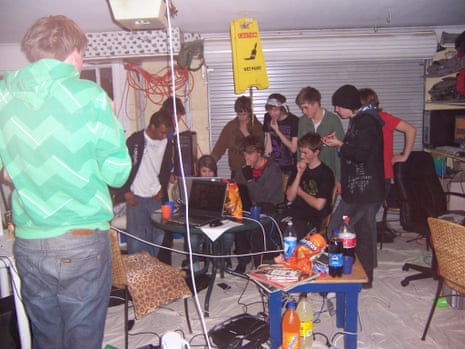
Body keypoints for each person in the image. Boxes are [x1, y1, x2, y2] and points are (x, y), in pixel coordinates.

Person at [0, 15, 131, 349]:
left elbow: (6, 171)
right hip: (81, 240)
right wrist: (111, 120)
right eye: (83, 55)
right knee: (83, 338)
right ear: (73, 51)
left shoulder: (4, 95)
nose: (82, 62)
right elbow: (117, 173)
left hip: (29, 242)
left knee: (46, 338)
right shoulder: (90, 96)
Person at [322, 84, 385, 289]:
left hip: (366, 189)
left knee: (356, 232)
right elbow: (356, 150)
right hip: (357, 188)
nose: (337, 110)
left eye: (338, 106)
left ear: (348, 105)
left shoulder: (368, 122)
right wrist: (340, 143)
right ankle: (348, 272)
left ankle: (360, 278)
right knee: (347, 230)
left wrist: (340, 145)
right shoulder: (360, 120)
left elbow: (360, 155)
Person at [359, 87, 416, 266]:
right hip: (368, 178)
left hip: (382, 178)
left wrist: (403, 156)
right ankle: (365, 259)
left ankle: (369, 262)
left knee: (367, 219)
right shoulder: (361, 122)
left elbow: (410, 129)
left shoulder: (383, 118)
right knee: (364, 219)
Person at [114, 110, 174, 258]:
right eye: (161, 132)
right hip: (136, 197)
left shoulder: (167, 143)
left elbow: (166, 168)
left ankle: (153, 271)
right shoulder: (135, 141)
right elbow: (124, 168)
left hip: (155, 196)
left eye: (166, 133)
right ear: (152, 127)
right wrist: (126, 191)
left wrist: (163, 187)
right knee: (136, 239)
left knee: (158, 235)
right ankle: (138, 275)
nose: (163, 136)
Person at [233, 135, 283, 273]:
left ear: (259, 152)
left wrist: (250, 180)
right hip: (250, 207)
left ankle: (259, 262)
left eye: (250, 153)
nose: (246, 157)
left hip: (269, 208)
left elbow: (263, 197)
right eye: (244, 154)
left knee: (256, 226)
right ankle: (243, 260)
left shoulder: (272, 169)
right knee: (237, 221)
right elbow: (237, 192)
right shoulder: (244, 170)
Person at [183, 155, 234, 271]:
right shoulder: (192, 184)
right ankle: (194, 262)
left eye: (210, 171)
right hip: (197, 218)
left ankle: (220, 259)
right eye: (204, 171)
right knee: (192, 238)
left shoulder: (222, 184)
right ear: (199, 172)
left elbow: (229, 207)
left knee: (229, 236)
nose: (207, 174)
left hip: (217, 219)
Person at [285, 132, 335, 239]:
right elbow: (289, 197)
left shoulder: (326, 173)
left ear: (316, 152)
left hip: (313, 216)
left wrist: (301, 193)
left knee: (293, 232)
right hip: (295, 211)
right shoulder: (299, 167)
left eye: (305, 153)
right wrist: (299, 174)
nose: (302, 156)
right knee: (272, 225)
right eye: (301, 152)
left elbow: (319, 205)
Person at [296, 86, 345, 194]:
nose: (303, 111)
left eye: (306, 107)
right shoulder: (302, 122)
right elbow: (299, 150)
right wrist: (299, 172)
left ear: (316, 104)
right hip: (309, 174)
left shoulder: (333, 121)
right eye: (301, 108)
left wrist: (338, 178)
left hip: (329, 173)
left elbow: (340, 152)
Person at [212, 95, 265, 178]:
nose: (241, 118)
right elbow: (219, 147)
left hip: (253, 170)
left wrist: (246, 133)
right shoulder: (231, 126)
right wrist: (210, 162)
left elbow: (259, 147)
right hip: (235, 171)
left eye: (244, 114)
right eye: (239, 114)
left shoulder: (257, 126)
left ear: (249, 112)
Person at [262, 93, 299, 188]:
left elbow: (293, 149)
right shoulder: (267, 117)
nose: (272, 113)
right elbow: (268, 141)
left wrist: (277, 131)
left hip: (289, 167)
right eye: (270, 110)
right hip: (273, 165)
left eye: (275, 110)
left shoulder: (294, 121)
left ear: (282, 109)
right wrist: (264, 160)